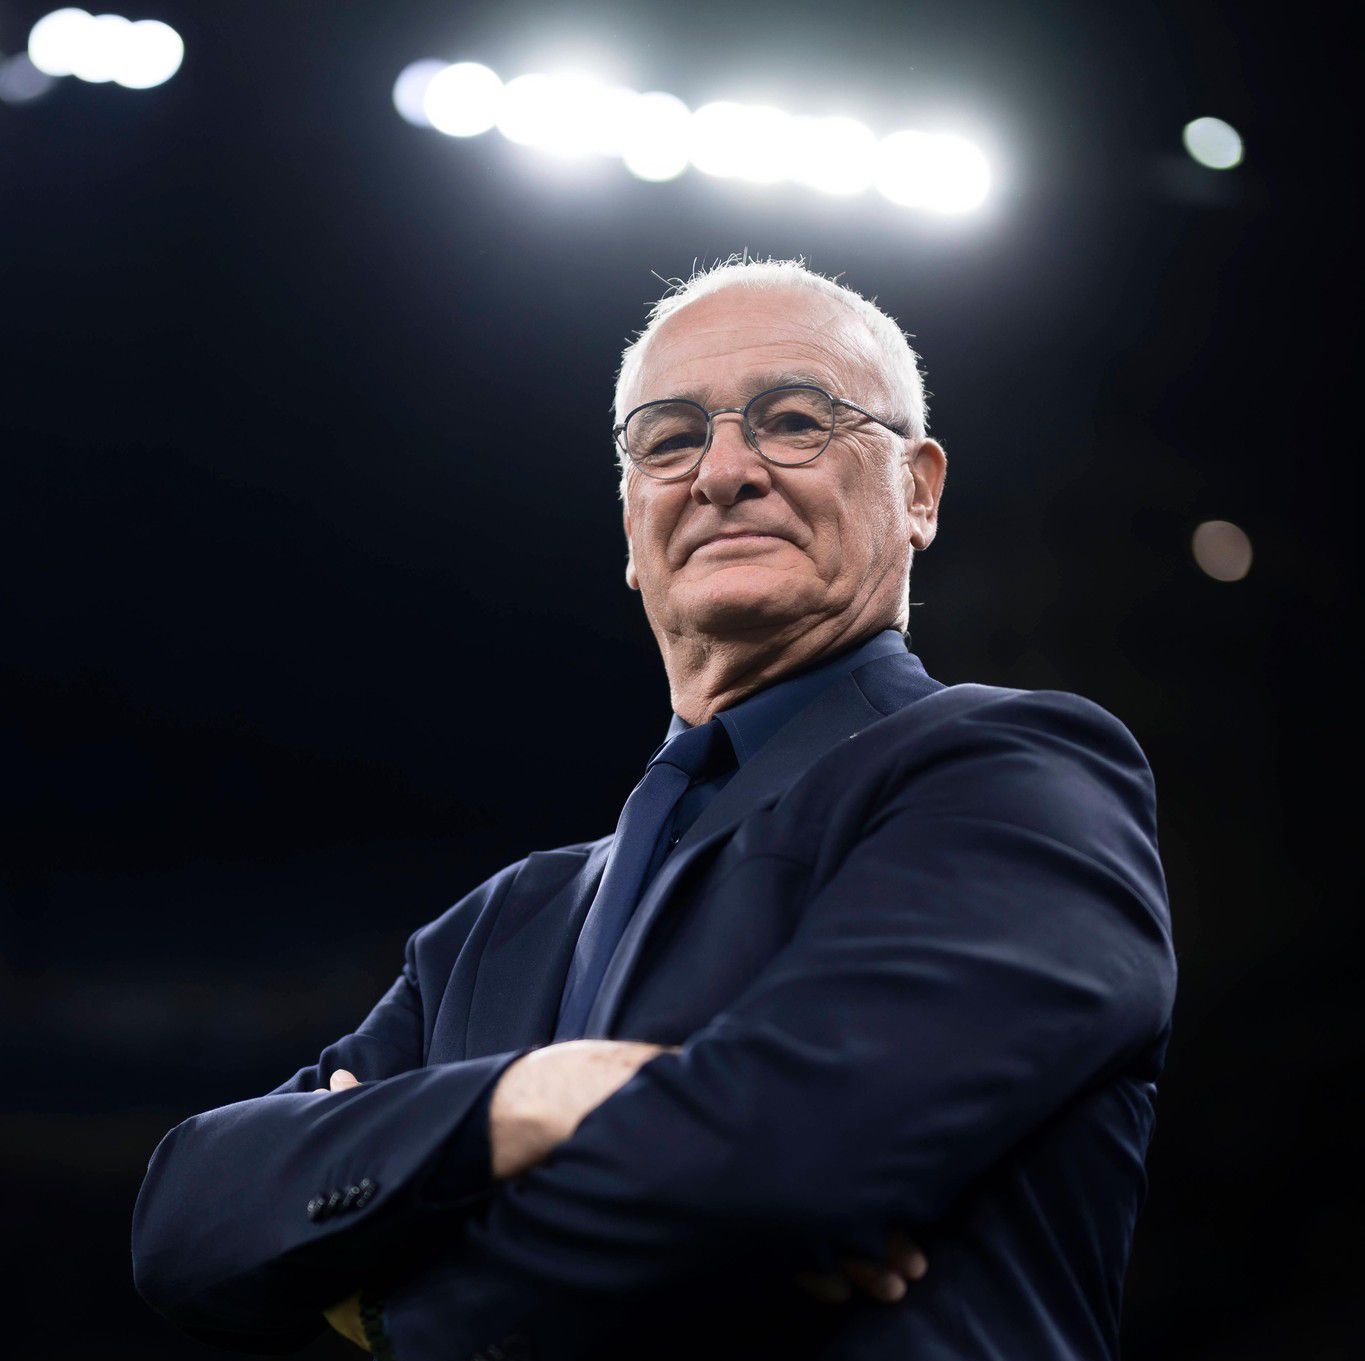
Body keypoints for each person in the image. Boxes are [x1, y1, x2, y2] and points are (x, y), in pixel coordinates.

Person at [132, 258, 1176, 1360]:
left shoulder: (1016, 778)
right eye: (669, 438)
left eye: (793, 420)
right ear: (631, 519)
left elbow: (781, 1161)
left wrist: (387, 1298)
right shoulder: (497, 927)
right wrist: (530, 1095)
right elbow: (185, 1217)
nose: (723, 471)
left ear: (917, 489)